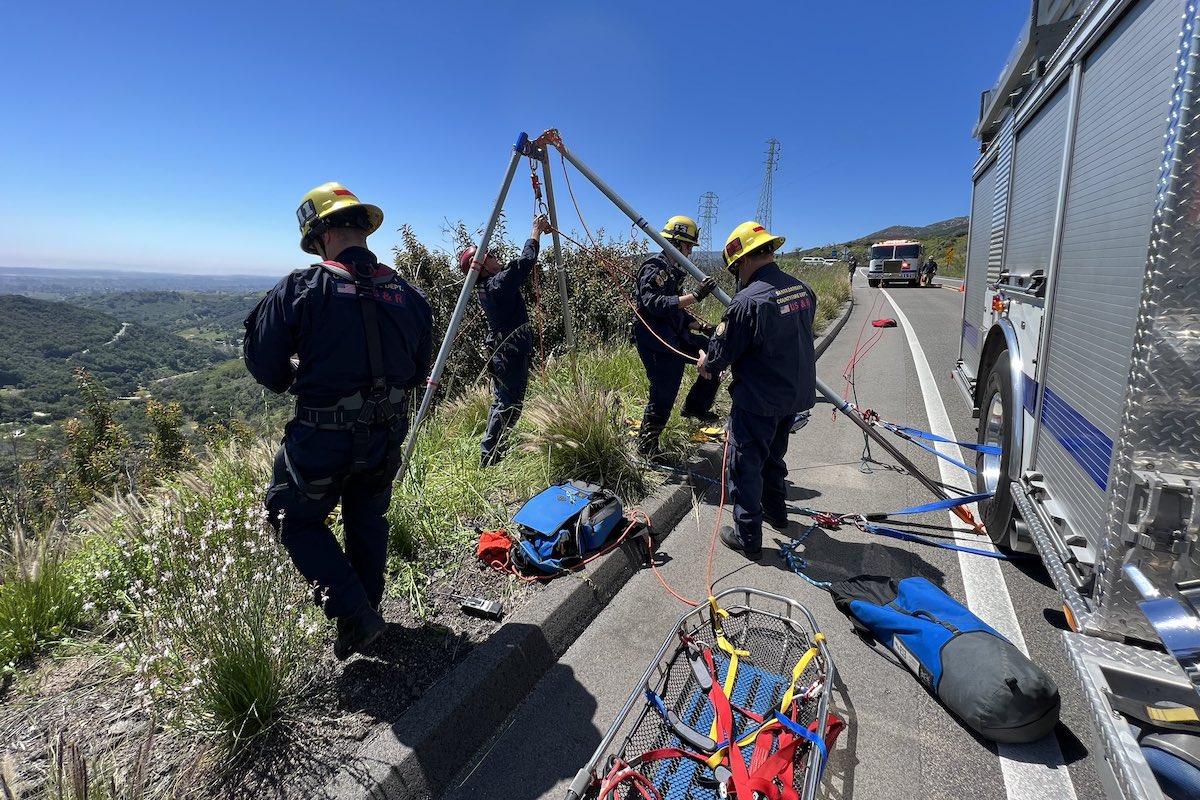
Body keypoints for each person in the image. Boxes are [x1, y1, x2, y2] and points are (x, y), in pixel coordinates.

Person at [243, 182, 433, 660]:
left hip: (322, 439)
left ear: (320, 233)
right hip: (387, 435)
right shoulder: (410, 296)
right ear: (362, 230)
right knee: (367, 519)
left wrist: (304, 375)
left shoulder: (302, 288)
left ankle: (356, 614)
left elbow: (267, 367)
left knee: (291, 519)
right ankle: (364, 616)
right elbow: (415, 371)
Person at [699, 221, 817, 560]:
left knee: (745, 464)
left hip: (758, 400)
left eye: (737, 268)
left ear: (743, 261)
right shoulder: (803, 290)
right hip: (791, 397)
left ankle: (747, 536)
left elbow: (721, 355)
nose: (739, 274)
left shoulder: (747, 301)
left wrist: (706, 364)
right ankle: (777, 513)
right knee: (773, 456)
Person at [457, 213, 552, 467]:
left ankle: (495, 451)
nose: (495, 256)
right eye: (489, 255)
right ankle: (489, 458)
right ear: (483, 266)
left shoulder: (488, 287)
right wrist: (535, 231)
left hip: (506, 352)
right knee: (507, 404)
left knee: (507, 403)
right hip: (509, 353)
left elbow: (514, 268)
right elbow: (525, 262)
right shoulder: (496, 285)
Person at [632, 215, 721, 461]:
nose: (690, 252)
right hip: (657, 342)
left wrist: (702, 327)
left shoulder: (672, 272)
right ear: (677, 243)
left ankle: (696, 406)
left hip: (674, 335)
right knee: (663, 393)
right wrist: (696, 295)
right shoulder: (654, 268)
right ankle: (647, 448)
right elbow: (654, 304)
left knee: (716, 351)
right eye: (689, 246)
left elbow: (676, 312)